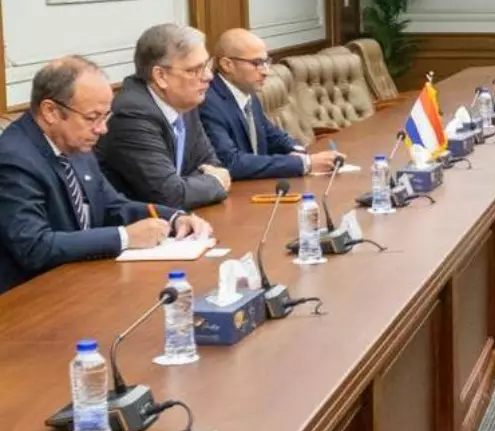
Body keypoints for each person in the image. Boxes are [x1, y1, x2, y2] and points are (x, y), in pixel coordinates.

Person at [0, 57, 214, 294]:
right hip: (28, 297)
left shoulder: (73, 142)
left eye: (105, 117)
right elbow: (34, 247)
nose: (102, 129)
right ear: (51, 111)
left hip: (79, 282)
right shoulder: (14, 159)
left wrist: (173, 218)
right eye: (92, 118)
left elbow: (112, 206)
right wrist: (124, 237)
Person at [96, 24, 231, 209]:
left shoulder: (184, 101)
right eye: (195, 69)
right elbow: (169, 195)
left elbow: (210, 163)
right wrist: (215, 182)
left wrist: (191, 185)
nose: (208, 76)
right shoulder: (132, 114)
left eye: (207, 65)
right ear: (160, 76)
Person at [201, 29, 341, 180]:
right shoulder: (208, 102)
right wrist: (304, 164)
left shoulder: (246, 91)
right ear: (227, 65)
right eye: (257, 63)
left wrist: (299, 151)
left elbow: (271, 135)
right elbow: (231, 162)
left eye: (266, 62)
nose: (266, 72)